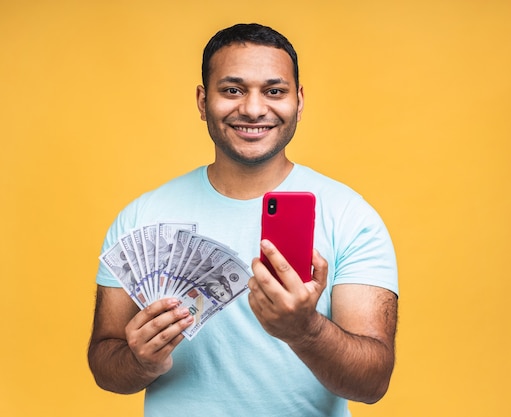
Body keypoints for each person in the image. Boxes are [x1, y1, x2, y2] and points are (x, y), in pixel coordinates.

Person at [88, 23, 398, 417]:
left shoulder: (352, 217)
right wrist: (139, 361)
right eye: (232, 90)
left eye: (274, 91)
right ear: (203, 101)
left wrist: (305, 330)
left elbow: (373, 384)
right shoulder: (141, 217)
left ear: (298, 101)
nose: (253, 109)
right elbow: (105, 365)